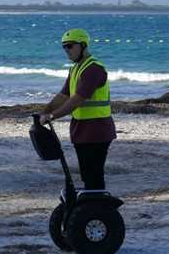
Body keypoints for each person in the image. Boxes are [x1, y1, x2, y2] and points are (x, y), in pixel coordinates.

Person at [40, 28, 116, 190]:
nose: (67, 50)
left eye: (70, 46)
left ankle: (97, 209)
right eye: (64, 47)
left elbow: (77, 100)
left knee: (93, 174)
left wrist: (53, 116)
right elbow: (63, 95)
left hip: (97, 129)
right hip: (81, 129)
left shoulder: (94, 69)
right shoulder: (75, 68)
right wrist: (45, 111)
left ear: (83, 45)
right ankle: (91, 205)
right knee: (86, 174)